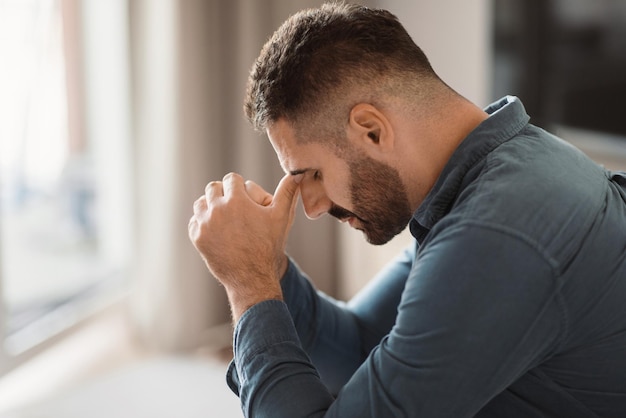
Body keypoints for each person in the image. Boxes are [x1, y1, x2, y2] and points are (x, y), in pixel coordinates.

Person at [188, 3, 626, 417]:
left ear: (371, 130)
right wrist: (268, 264)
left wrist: (249, 283)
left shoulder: (500, 232)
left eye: (314, 174)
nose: (313, 208)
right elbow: (359, 346)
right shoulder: (488, 175)